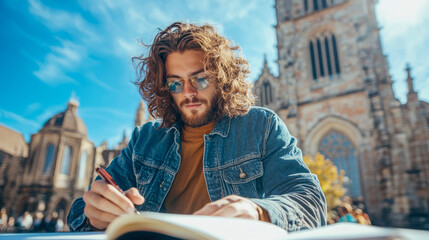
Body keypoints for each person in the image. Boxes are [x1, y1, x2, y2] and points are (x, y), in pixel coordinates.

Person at [67, 22, 327, 232]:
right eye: (176, 84)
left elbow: (310, 202)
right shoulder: (144, 139)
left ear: (222, 78)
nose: (188, 93)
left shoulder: (262, 126)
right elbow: (79, 211)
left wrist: (258, 212)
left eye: (199, 80)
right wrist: (94, 213)